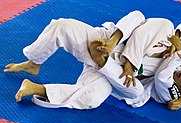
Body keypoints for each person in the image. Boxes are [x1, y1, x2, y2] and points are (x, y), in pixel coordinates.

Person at [4, 11, 146, 109]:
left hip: (113, 73)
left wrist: (169, 98)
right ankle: (33, 63)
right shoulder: (163, 34)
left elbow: (139, 93)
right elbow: (137, 16)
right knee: (61, 27)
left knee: (92, 98)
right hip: (103, 42)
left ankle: (38, 89)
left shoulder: (164, 78)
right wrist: (112, 43)